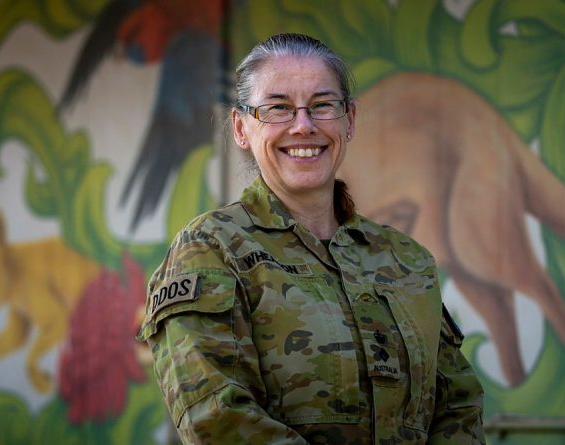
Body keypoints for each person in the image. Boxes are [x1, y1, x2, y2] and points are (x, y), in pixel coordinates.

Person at [137, 33, 485, 444]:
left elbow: (458, 407)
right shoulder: (212, 250)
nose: (303, 126)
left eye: (322, 106)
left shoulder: (407, 260)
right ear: (240, 127)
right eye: (278, 108)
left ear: (349, 120)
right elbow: (216, 416)